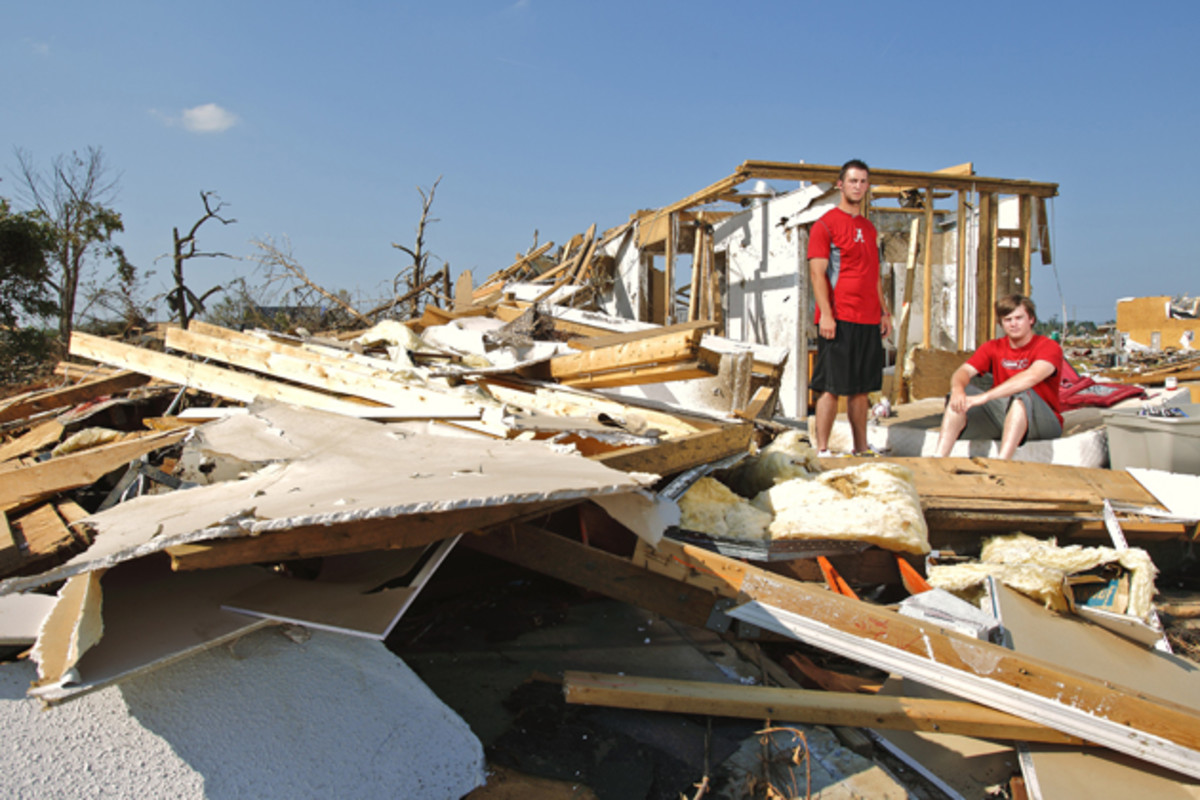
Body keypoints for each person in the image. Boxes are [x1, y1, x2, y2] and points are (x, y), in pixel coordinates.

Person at [807, 159, 893, 455]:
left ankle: (861, 448)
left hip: (868, 319)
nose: (858, 186)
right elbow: (817, 274)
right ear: (840, 185)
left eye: (863, 181)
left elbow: (875, 274)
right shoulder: (825, 225)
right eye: (853, 181)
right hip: (839, 318)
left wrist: (884, 311)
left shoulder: (869, 228)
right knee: (830, 387)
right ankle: (822, 449)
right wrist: (826, 316)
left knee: (861, 389)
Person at [934, 294, 1064, 459]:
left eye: (1019, 318)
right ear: (1001, 323)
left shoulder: (1048, 346)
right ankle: (938, 458)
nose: (1013, 324)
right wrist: (958, 389)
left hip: (1043, 421)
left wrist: (986, 396)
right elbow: (963, 372)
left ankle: (1002, 462)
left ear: (1031, 319)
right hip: (1005, 415)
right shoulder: (993, 347)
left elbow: (1031, 377)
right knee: (957, 399)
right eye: (1008, 319)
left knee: (1021, 396)